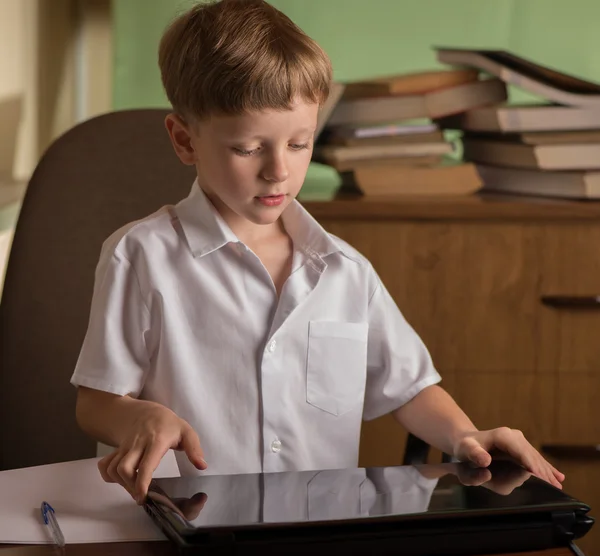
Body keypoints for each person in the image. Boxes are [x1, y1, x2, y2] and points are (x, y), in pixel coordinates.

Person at [72, 0, 564, 505]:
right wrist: (140, 416)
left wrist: (465, 436)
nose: (278, 171)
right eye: (248, 148)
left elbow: (409, 388)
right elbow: (95, 402)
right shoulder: (140, 256)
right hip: (186, 529)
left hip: (318, 533)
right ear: (184, 139)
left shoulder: (345, 271)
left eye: (300, 144)